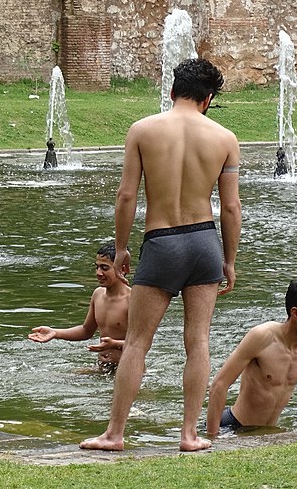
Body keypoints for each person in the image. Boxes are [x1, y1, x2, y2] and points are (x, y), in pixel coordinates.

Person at [80, 58, 242, 452]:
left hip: (162, 240)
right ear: (208, 99)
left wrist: (120, 248)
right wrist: (230, 260)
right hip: (204, 240)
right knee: (198, 341)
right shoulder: (225, 138)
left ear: (172, 92)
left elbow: (126, 196)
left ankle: (115, 434)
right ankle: (189, 435)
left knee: (137, 342)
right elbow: (233, 209)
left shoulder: (143, 130)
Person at [206, 278, 297, 436]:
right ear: (296, 313)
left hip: (267, 430)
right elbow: (219, 385)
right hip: (232, 427)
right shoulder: (262, 337)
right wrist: (212, 435)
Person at [28, 243, 130, 372]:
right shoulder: (98, 294)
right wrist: (55, 333)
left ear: (123, 269)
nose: (98, 273)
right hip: (102, 368)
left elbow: (141, 344)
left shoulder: (133, 300)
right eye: (97, 267)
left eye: (104, 268)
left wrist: (114, 344)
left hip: (128, 371)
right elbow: (86, 330)